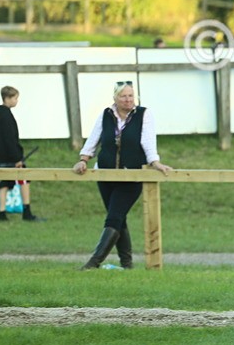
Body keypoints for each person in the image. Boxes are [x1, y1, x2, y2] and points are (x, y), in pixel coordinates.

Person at [72, 81, 172, 269]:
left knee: (114, 217)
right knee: (118, 217)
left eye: (131, 96)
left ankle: (93, 263)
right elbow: (94, 139)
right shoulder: (106, 115)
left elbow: (148, 141)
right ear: (115, 98)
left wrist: (155, 162)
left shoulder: (144, 114)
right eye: (123, 96)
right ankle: (127, 264)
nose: (128, 100)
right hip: (105, 174)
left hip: (131, 175)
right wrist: (83, 159)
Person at [0, 86, 44, 222]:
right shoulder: (6, 115)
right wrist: (17, 158)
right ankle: (27, 211)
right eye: (15, 98)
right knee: (24, 180)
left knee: (2, 184)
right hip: (11, 157)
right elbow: (10, 139)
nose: (16, 101)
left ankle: (2, 213)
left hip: (0, 155)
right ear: (7, 98)